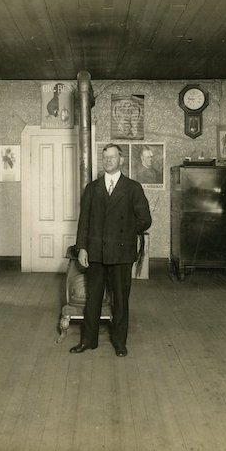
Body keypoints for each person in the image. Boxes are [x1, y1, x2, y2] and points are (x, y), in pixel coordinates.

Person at [70, 143, 152, 357]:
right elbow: (84, 222)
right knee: (93, 299)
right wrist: (82, 248)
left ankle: (120, 343)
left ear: (121, 160)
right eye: (105, 157)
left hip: (121, 254)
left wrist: (123, 234)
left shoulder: (133, 188)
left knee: (120, 301)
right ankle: (89, 341)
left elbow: (145, 220)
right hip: (95, 253)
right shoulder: (92, 188)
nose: (108, 161)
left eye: (113, 157)